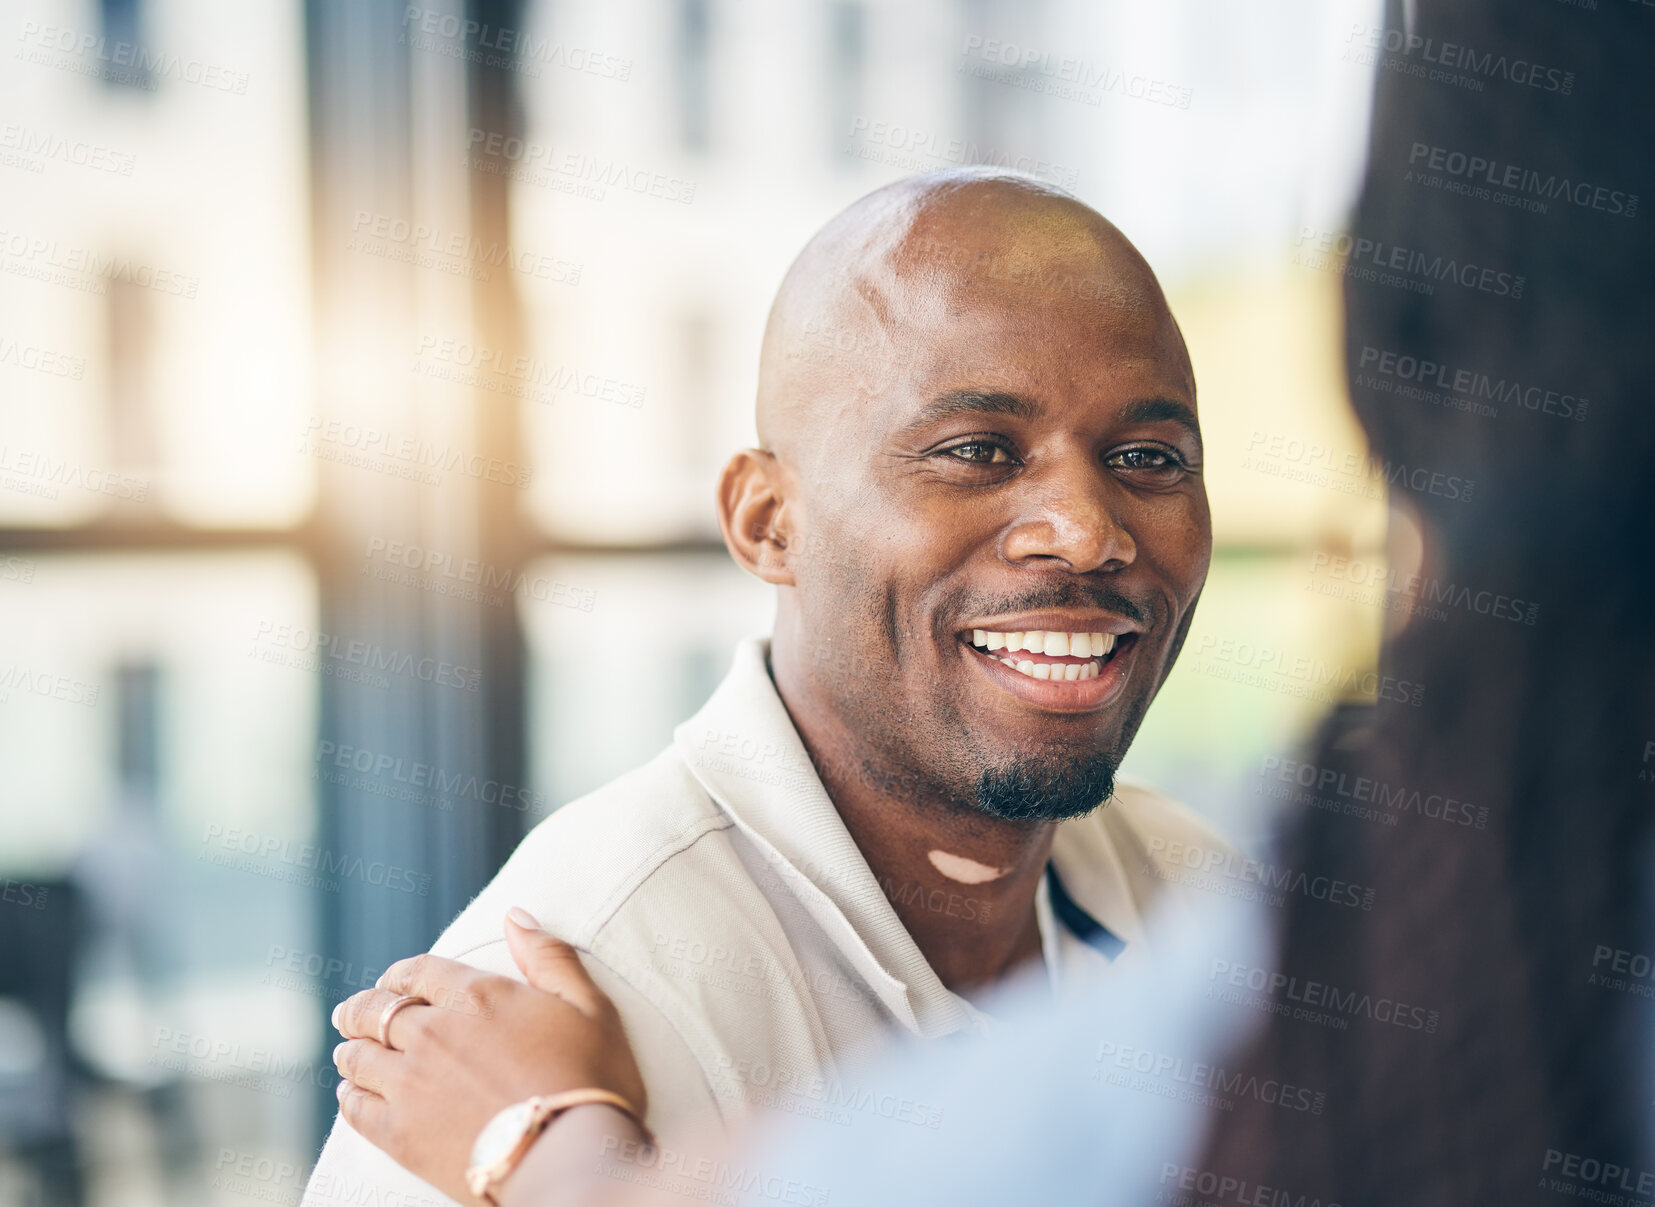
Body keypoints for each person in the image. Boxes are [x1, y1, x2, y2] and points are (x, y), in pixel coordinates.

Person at [304, 167, 1232, 1207]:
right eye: (975, 450)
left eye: (1147, 456)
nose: (1086, 529)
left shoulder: (1208, 900)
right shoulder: (565, 986)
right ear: (766, 523)